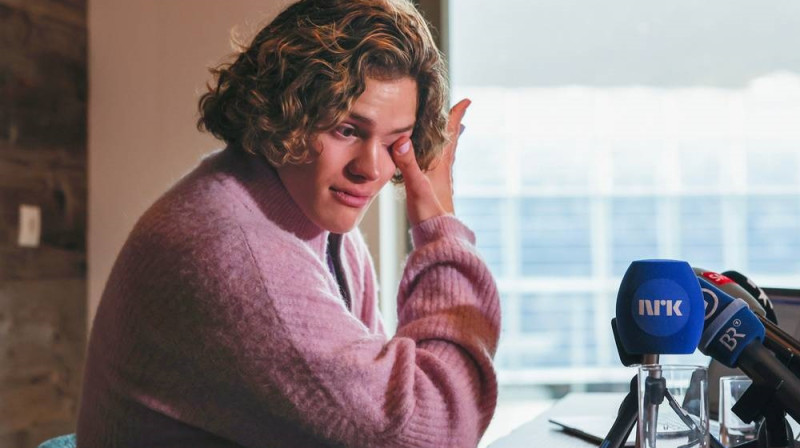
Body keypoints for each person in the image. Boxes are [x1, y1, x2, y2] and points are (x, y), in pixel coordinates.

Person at [76, 0, 501, 447]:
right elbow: (431, 429)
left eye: (396, 142)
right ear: (287, 110)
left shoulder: (314, 222)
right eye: (346, 130)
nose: (372, 169)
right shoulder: (238, 255)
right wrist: (439, 227)